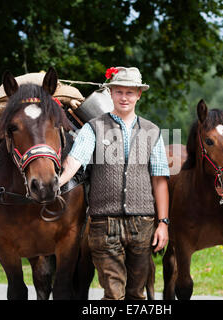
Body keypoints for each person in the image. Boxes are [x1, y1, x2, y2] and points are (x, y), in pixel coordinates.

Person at [58, 66, 170, 300]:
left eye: (130, 92)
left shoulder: (152, 131)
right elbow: (74, 162)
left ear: (139, 94)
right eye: (119, 91)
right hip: (103, 224)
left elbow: (159, 180)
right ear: (110, 93)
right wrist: (55, 183)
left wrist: (163, 223)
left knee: (136, 295)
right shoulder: (93, 128)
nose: (124, 97)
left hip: (143, 224)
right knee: (113, 293)